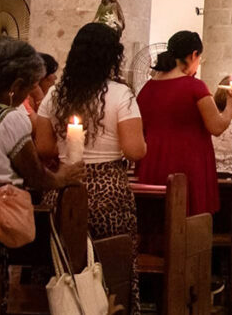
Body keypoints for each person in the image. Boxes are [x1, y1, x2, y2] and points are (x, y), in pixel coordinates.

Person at [34, 23, 146, 314]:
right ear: (113, 56)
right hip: (107, 193)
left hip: (61, 187)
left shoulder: (55, 93)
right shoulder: (121, 95)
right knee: (110, 265)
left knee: (60, 264)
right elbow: (135, 150)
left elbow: (44, 148)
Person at [0, 36, 85, 314]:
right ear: (15, 87)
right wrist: (64, 176)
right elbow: (35, 175)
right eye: (29, 88)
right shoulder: (9, 118)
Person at [136, 31, 232, 216]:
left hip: (153, 163)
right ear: (193, 54)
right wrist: (231, 106)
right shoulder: (194, 86)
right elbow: (216, 127)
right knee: (188, 224)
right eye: (199, 58)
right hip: (187, 164)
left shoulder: (147, 89)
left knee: (155, 222)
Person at [22, 52, 57, 119]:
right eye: (53, 73)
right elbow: (37, 124)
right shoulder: (24, 99)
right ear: (42, 76)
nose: (55, 77)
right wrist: (39, 96)